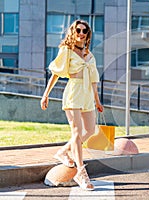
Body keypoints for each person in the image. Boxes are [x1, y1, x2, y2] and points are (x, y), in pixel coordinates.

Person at [40, 19, 103, 191]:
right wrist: (45, 95)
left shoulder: (90, 55)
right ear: (72, 32)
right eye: (78, 30)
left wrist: (97, 101)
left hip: (87, 95)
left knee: (90, 129)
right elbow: (55, 74)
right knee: (76, 132)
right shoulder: (66, 51)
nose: (81, 33)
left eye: (84, 31)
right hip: (74, 93)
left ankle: (63, 151)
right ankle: (81, 172)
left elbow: (94, 80)